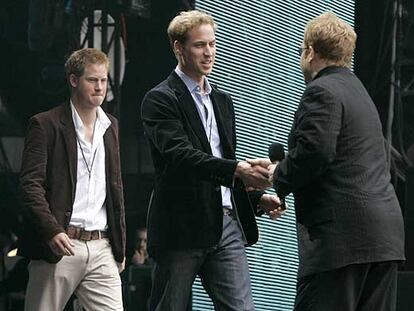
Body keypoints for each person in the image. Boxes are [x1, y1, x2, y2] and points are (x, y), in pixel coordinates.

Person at [258, 11, 405, 311]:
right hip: (384, 241)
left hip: (342, 244)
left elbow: (316, 152)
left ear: (310, 52)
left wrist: (279, 173)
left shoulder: (321, 91)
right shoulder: (360, 93)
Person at [141, 10, 283, 311]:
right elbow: (181, 156)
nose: (209, 52)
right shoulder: (160, 99)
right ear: (178, 48)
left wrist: (256, 197)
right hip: (181, 228)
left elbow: (220, 162)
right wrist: (237, 170)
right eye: (199, 45)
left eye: (213, 44)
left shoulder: (222, 99)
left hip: (226, 224)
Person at [19, 48, 126, 311]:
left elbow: (115, 188)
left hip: (101, 247)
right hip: (60, 244)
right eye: (93, 80)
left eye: (103, 80)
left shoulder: (110, 126)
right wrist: (51, 229)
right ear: (73, 80)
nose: (100, 87)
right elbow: (30, 185)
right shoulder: (45, 124)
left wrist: (120, 245)